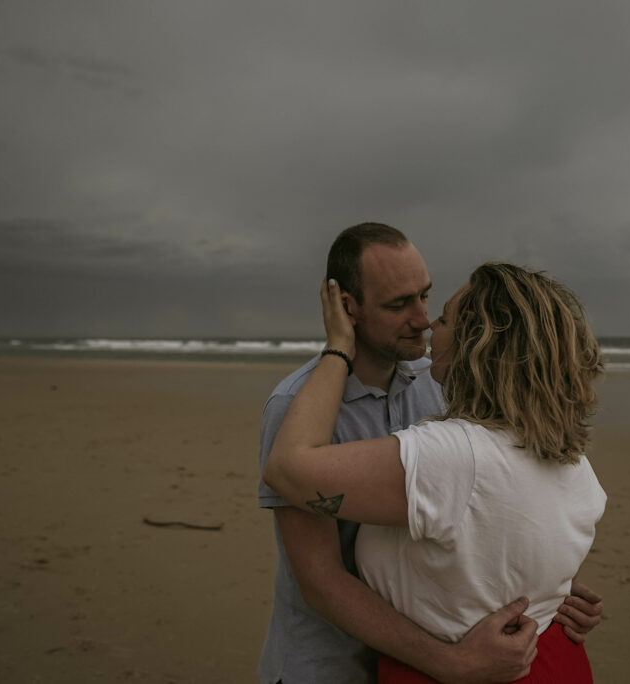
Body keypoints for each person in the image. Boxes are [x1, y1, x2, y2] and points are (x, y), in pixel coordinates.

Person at [257, 224, 604, 683]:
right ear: (346, 307)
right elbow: (321, 581)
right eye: (399, 304)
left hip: (445, 654)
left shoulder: (441, 381)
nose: (422, 319)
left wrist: (542, 584)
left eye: (426, 297)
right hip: (333, 662)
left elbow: (484, 510)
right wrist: (450, 663)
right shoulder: (295, 407)